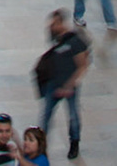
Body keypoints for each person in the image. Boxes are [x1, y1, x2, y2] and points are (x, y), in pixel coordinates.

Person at [36, 9, 89, 161]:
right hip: (53, 84)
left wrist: (69, 85)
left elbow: (82, 65)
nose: (51, 27)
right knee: (46, 116)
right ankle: (41, 146)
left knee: (73, 116)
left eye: (54, 24)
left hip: (68, 86)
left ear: (62, 23)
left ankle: (74, 142)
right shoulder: (55, 38)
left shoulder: (74, 41)